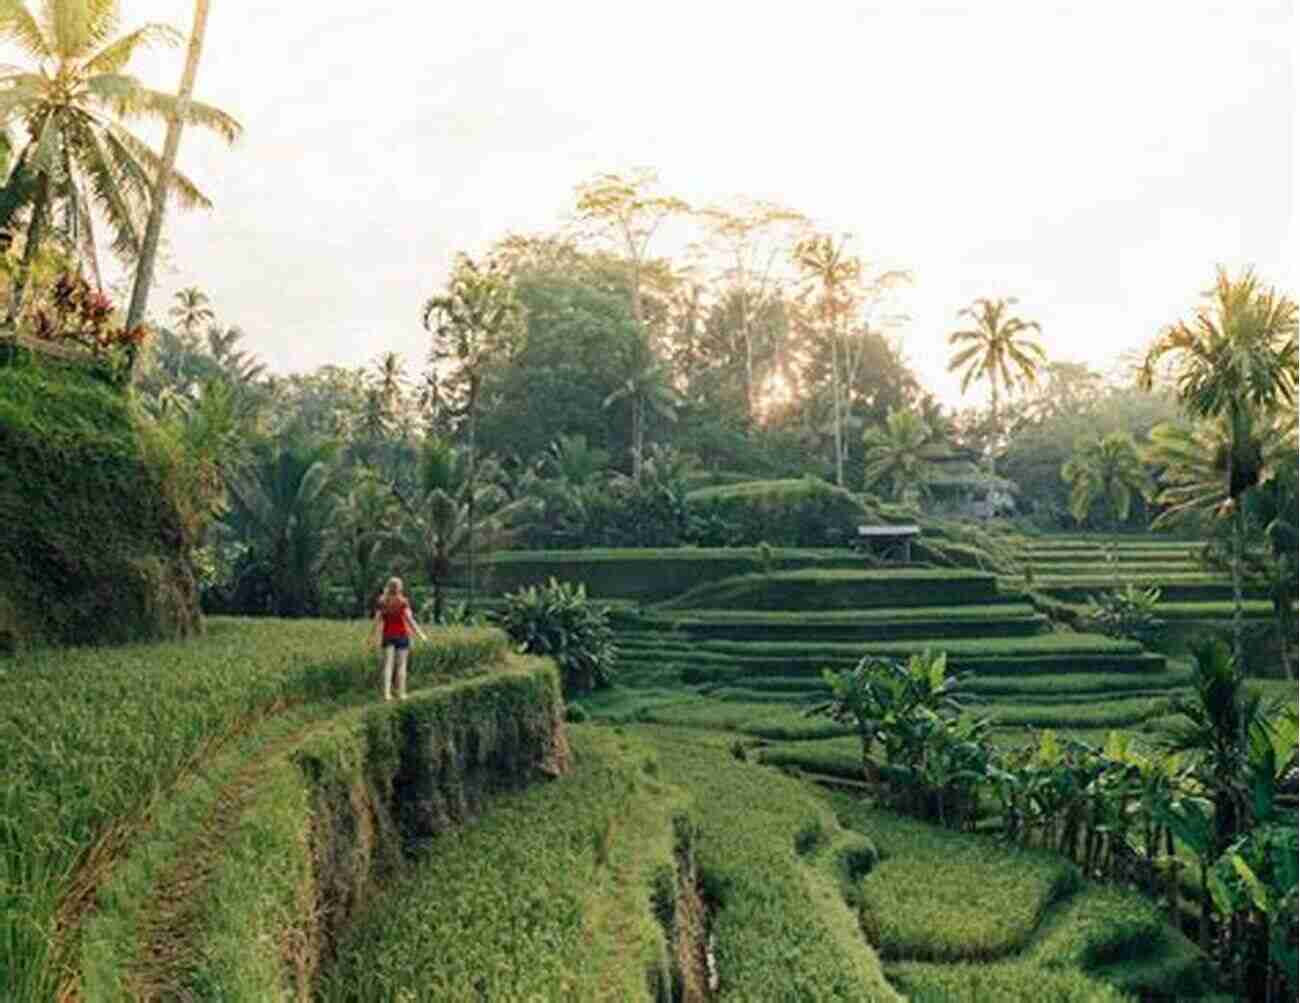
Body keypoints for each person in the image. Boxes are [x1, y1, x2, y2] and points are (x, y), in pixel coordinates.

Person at [371, 577, 428, 701]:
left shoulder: (382, 602)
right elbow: (410, 620)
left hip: (387, 636)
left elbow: (376, 621)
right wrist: (421, 635)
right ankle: (401, 693)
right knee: (401, 666)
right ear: (400, 588)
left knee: (388, 666)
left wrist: (371, 636)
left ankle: (386, 694)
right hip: (402, 636)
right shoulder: (403, 602)